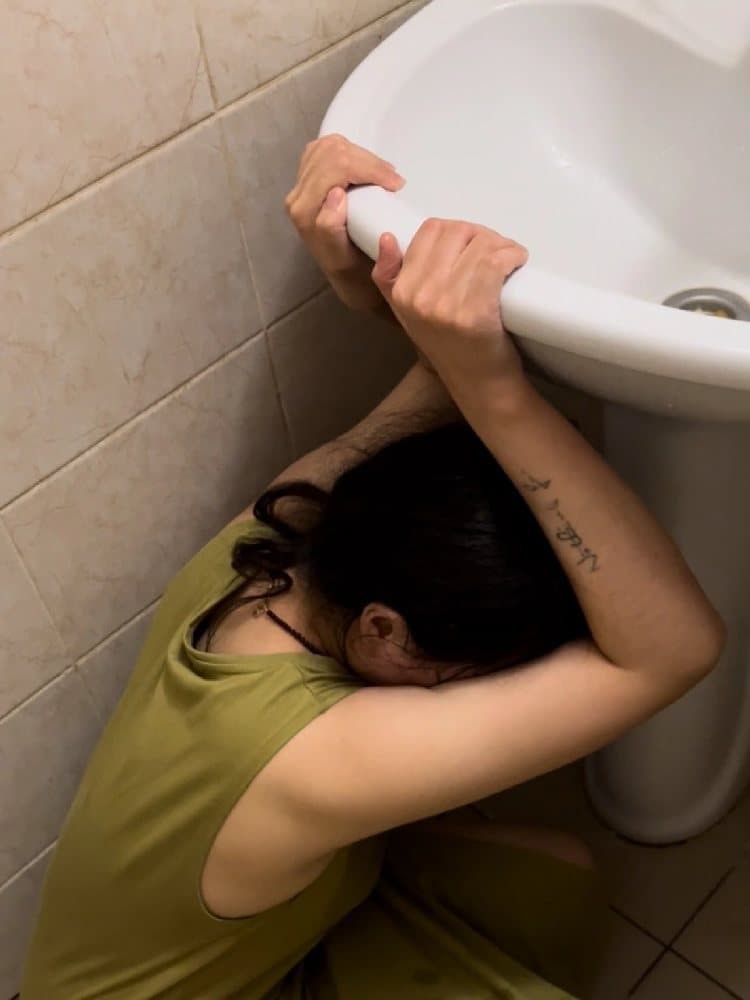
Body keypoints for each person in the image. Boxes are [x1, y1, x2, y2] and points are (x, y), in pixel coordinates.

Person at [21, 135, 725, 1000]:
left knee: (554, 876)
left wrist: (369, 278)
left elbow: (445, 371)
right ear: (383, 630)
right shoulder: (305, 764)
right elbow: (675, 648)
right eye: (464, 672)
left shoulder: (275, 540)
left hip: (247, 931)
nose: (470, 688)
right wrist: (500, 394)